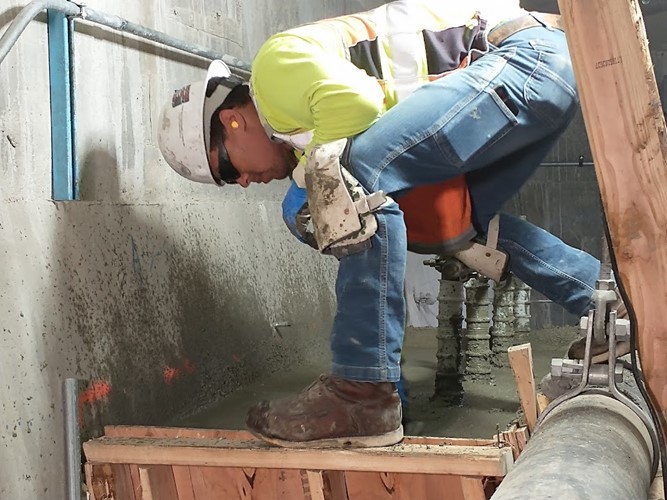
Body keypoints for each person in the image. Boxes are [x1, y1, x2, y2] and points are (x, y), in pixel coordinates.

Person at [158, 0, 620, 449]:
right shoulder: (303, 126)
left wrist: (312, 178)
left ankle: (360, 393)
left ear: (232, 121)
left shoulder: (272, 73)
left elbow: (357, 103)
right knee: (452, 226)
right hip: (543, 74)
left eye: (227, 170)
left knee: (350, 183)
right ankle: (609, 309)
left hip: (521, 60)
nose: (242, 183)